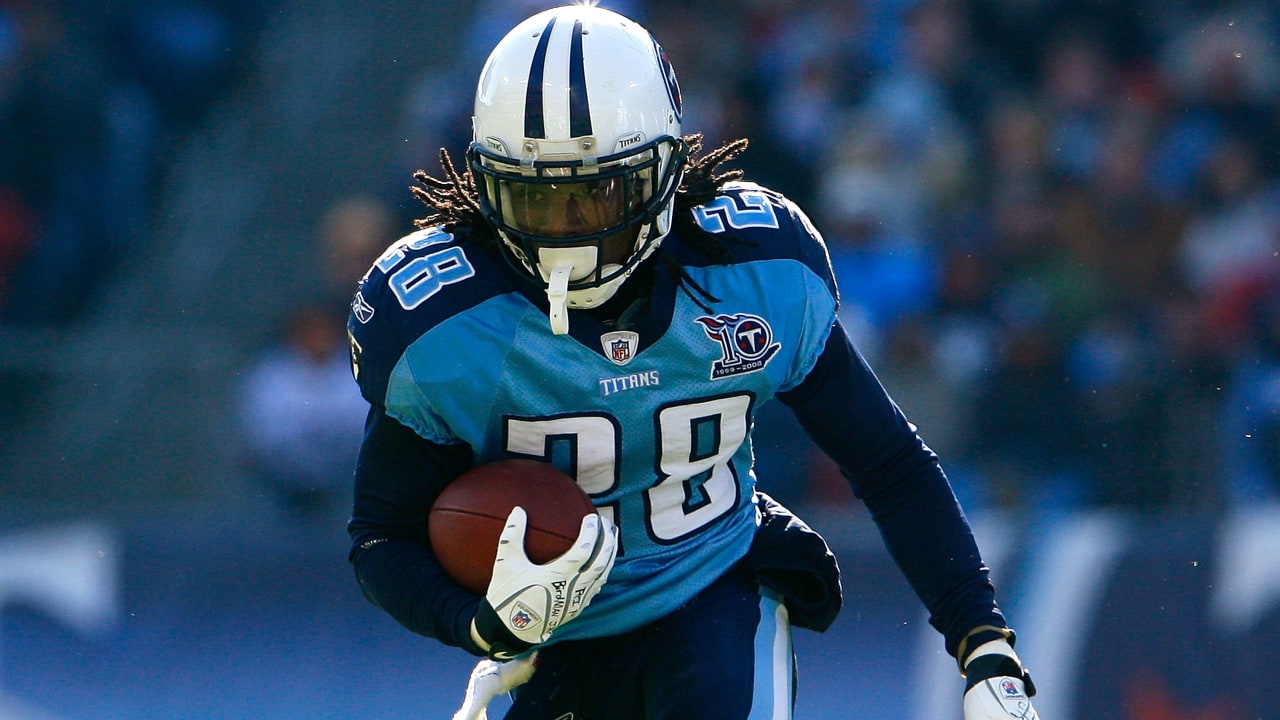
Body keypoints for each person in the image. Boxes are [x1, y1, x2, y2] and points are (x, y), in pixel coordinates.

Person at [345, 5, 1040, 719]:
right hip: (553, 647)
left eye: (594, 195)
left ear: (666, 170)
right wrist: (481, 625)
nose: (565, 233)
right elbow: (380, 536)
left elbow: (888, 462)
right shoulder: (445, 327)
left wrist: (981, 637)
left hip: (712, 592)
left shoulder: (753, 273)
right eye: (534, 198)